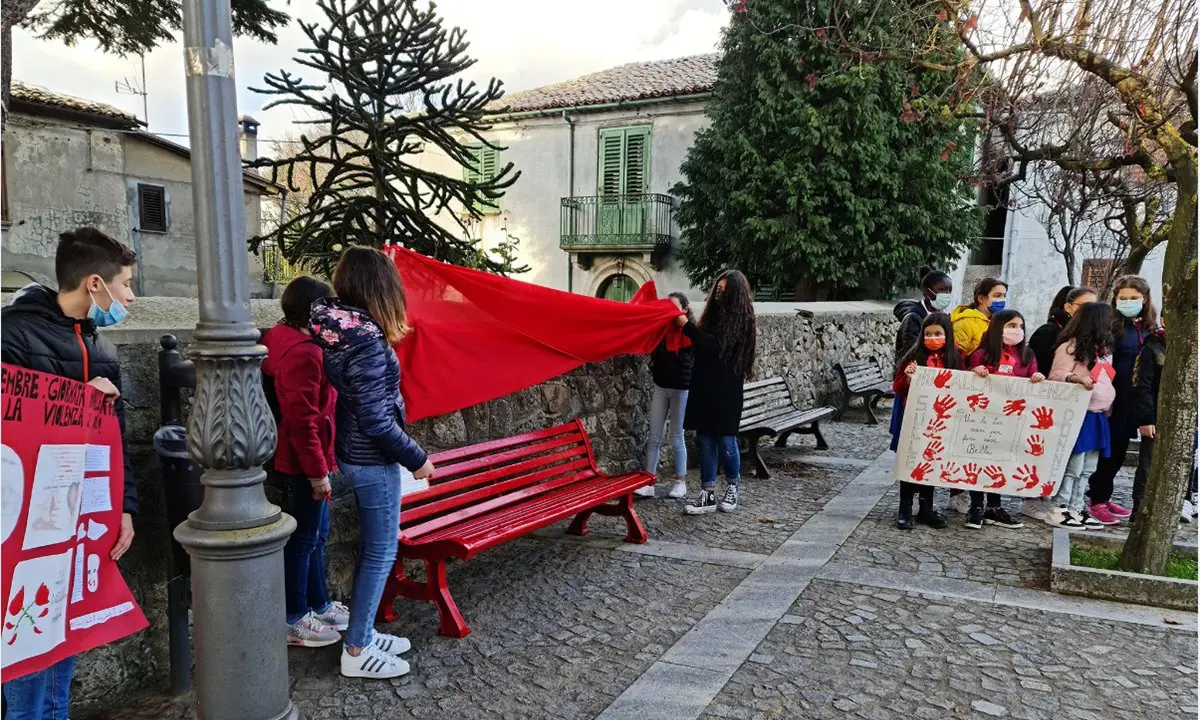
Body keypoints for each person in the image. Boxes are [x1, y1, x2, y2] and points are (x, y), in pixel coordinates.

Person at [1, 228, 138, 720]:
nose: (130, 297)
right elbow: (13, 427)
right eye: (126, 285)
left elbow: (113, 440)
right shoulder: (10, 335)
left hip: (80, 519)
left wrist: (124, 507)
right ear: (95, 283)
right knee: (25, 644)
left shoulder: (100, 346)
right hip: (23, 526)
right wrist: (82, 398)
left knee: (65, 639)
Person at [311, 247, 435, 680]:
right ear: (381, 289)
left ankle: (362, 632)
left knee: (375, 551)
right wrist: (417, 458)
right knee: (380, 552)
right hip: (371, 457)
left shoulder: (341, 331)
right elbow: (375, 418)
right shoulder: (365, 340)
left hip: (357, 452)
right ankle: (357, 650)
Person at [262, 276, 349, 648]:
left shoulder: (284, 339)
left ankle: (318, 603)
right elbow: (302, 420)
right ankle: (294, 617)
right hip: (305, 461)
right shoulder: (305, 352)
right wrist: (318, 474)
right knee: (306, 538)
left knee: (315, 535)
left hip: (307, 457)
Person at [677, 270, 756, 515]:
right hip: (705, 385)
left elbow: (715, 345)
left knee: (726, 441)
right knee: (705, 440)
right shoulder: (712, 315)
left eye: (724, 289)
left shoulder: (742, 320)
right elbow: (703, 343)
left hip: (726, 390)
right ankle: (707, 493)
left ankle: (732, 486)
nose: (719, 293)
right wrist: (691, 324)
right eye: (717, 288)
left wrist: (687, 327)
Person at [1085, 275, 1157, 524]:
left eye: (1134, 298)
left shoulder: (1149, 327)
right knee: (1110, 451)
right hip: (1113, 396)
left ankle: (1106, 495)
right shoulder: (1111, 326)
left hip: (1137, 398)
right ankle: (1097, 499)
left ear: (1145, 299)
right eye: (1123, 298)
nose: (1128, 302)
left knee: (1121, 449)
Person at [967, 309, 1045, 528]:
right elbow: (965, 381)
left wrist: (1037, 377)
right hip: (983, 422)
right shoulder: (981, 355)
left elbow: (1033, 377)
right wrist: (975, 370)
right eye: (1011, 326)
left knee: (1000, 462)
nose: (1017, 330)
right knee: (979, 461)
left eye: (1020, 326)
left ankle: (994, 506)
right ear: (997, 328)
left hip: (1011, 422)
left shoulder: (1027, 355)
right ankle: (976, 505)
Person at [1048, 302, 1117, 528]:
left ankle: (1077, 507)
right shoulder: (1070, 347)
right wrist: (1074, 379)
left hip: (1098, 416)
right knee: (1073, 465)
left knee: (1089, 467)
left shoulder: (1104, 352)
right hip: (1079, 415)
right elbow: (1056, 375)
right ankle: (1060, 506)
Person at [892, 313, 960, 530]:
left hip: (941, 421)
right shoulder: (914, 357)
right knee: (911, 461)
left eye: (938, 334)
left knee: (932, 461)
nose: (932, 338)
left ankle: (926, 507)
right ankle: (905, 507)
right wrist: (909, 379)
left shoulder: (954, 359)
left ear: (947, 335)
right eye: (928, 334)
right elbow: (898, 388)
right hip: (916, 419)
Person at [636, 292, 695, 500]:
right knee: (654, 437)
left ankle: (681, 482)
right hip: (661, 387)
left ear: (684, 311)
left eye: (673, 308)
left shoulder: (690, 333)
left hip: (681, 389)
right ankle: (649, 481)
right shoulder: (660, 332)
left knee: (677, 436)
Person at [1130, 310, 1166, 519]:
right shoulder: (1152, 347)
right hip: (1154, 416)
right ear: (1163, 320)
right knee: (1147, 464)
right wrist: (1146, 419)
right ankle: (1140, 509)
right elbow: (1141, 385)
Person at [1029, 286, 1096, 377]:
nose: (1090, 311)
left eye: (1094, 307)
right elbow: (1037, 366)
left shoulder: (1090, 333)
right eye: (1084, 306)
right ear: (1068, 307)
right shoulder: (1048, 332)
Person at [893, 267, 954, 365]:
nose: (947, 294)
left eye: (949, 290)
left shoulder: (944, 317)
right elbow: (911, 353)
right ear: (927, 292)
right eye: (942, 290)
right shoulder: (913, 318)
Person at [951, 278, 1009, 356]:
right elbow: (956, 356)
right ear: (981, 299)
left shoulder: (1000, 323)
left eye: (1004, 296)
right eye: (998, 296)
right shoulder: (964, 322)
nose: (1003, 300)